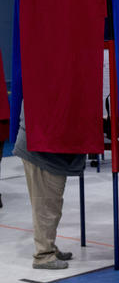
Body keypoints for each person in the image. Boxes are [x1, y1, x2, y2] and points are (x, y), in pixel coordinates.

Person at [13, 103, 82, 269]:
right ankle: (43, 255)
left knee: (51, 204)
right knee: (46, 206)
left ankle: (49, 246)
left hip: (46, 146)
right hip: (41, 149)